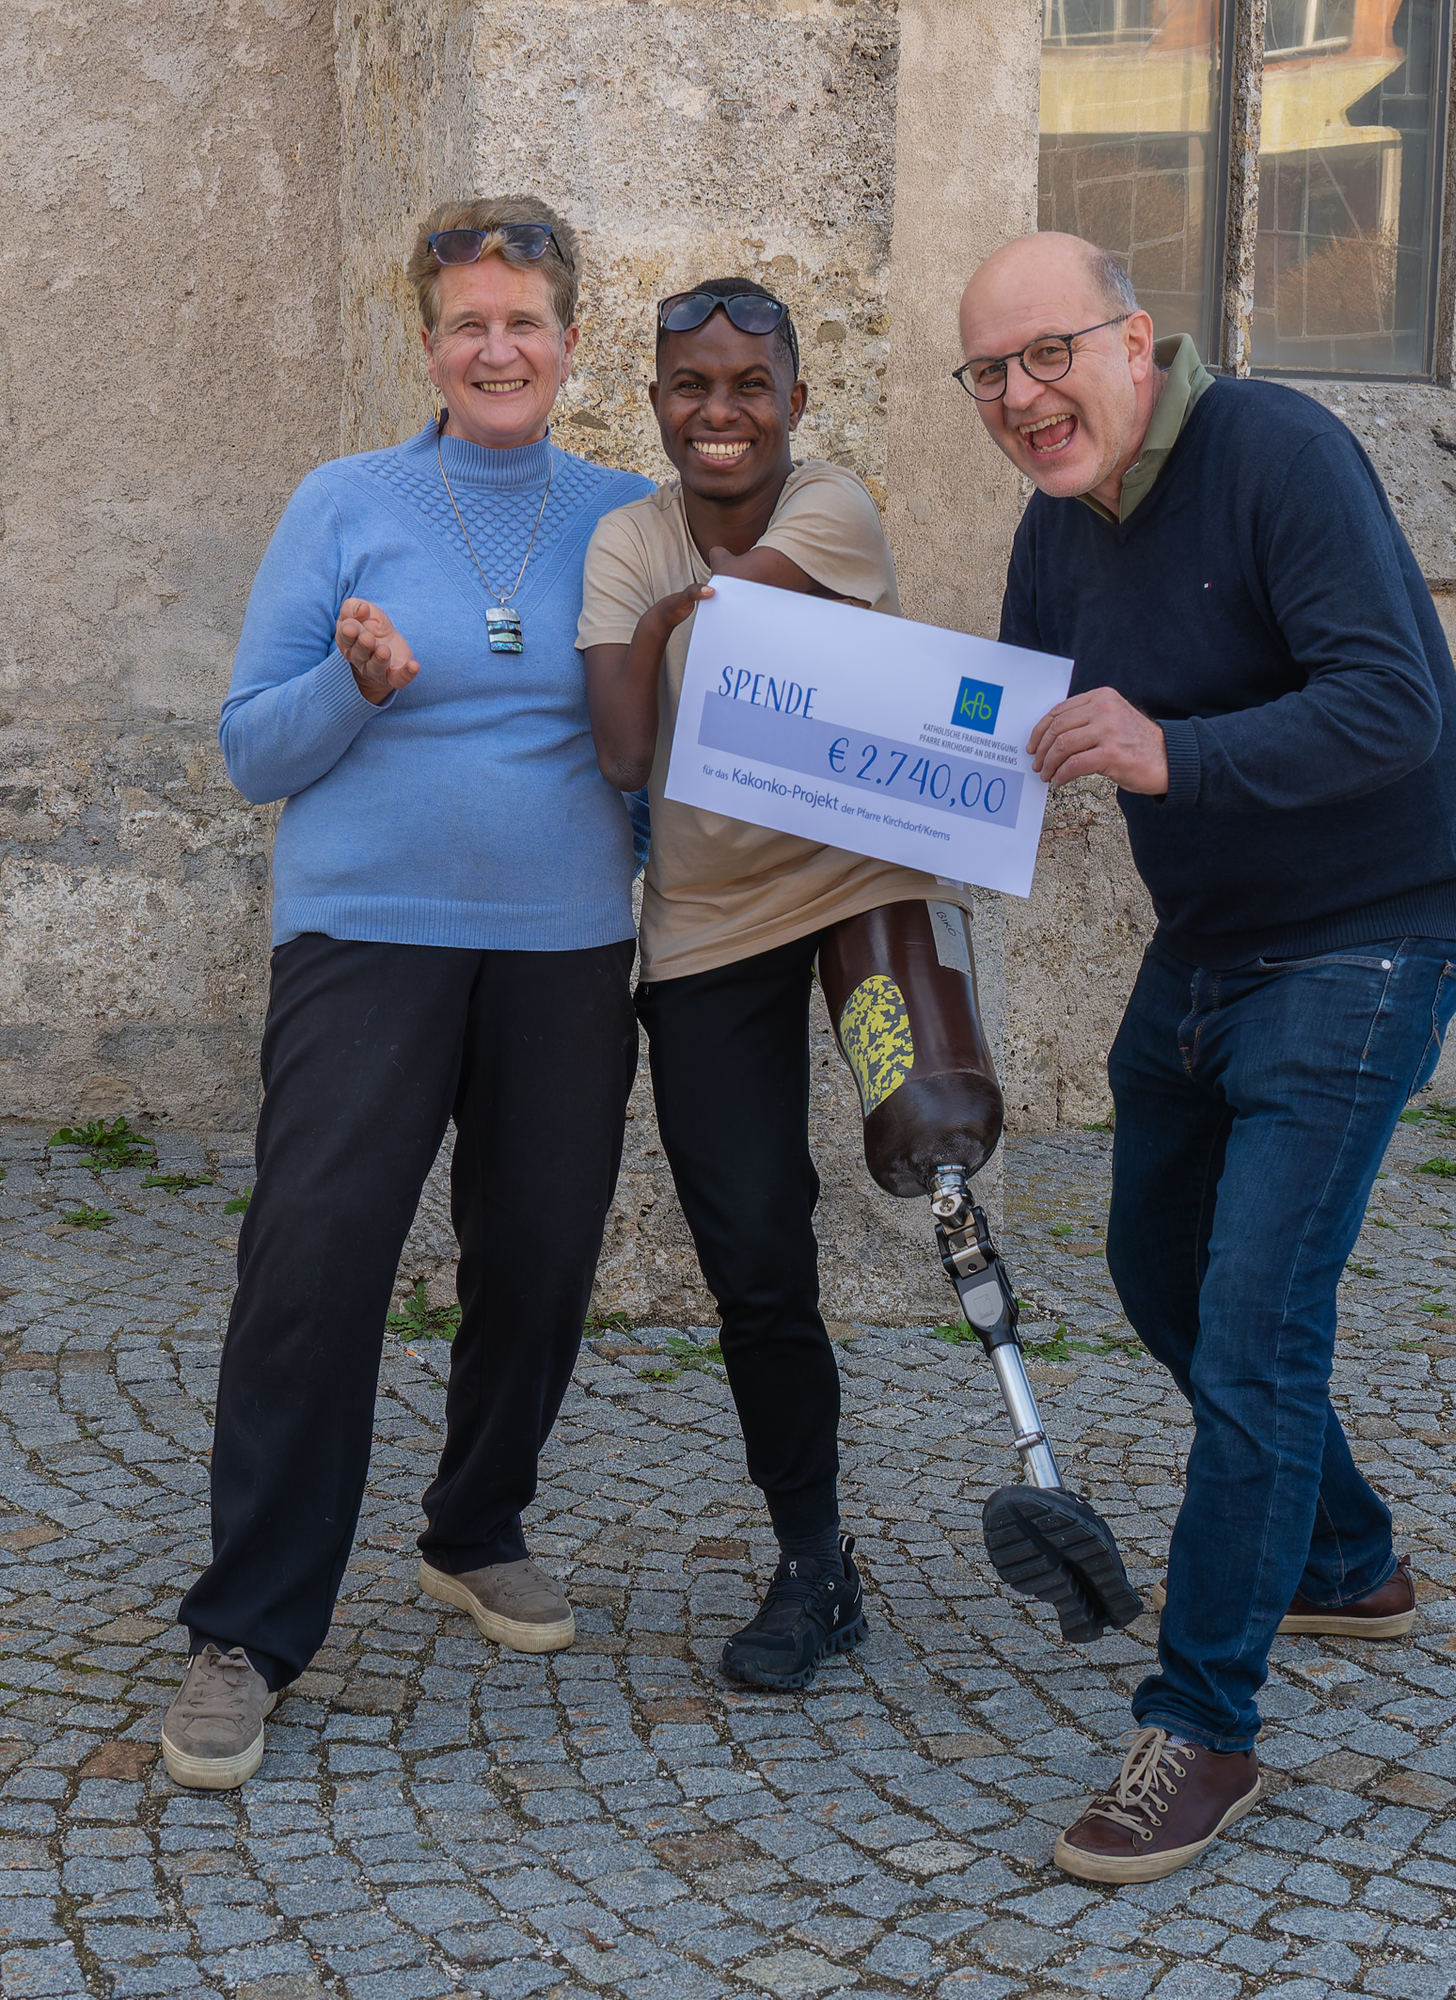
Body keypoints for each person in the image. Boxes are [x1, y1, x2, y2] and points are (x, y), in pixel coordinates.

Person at [957, 233, 1456, 1883]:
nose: (1027, 399)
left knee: (1256, 1326)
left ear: (1135, 340)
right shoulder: (1057, 530)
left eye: (1051, 356)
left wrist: (1170, 752)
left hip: (1371, 931)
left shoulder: (1279, 453)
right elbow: (1007, 724)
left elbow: (1392, 707)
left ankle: (1201, 1727)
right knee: (1154, 1269)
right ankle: (1344, 1552)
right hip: (1208, 947)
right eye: (992, 375)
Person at [162, 197, 652, 1790]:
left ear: (570, 343)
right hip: (367, 931)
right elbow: (253, 752)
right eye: (465, 324)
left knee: (539, 1252)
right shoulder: (344, 501)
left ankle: (473, 1527)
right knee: (314, 1257)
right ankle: (247, 1627)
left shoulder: (633, 519)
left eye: (522, 321)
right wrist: (352, 685)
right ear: (427, 345)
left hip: (568, 940)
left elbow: (668, 756)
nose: (495, 348)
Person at [578, 279, 977, 1690]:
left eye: (750, 384)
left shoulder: (836, 507)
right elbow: (627, 754)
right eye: (692, 386)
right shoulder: (627, 534)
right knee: (754, 1241)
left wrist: (668, 610)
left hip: (859, 882)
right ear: (657, 408)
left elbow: (736, 626)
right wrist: (675, 607)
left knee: (938, 1124)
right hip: (709, 915)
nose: (721, 411)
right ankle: (816, 1560)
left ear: (796, 403)